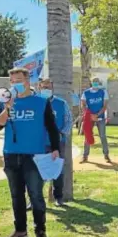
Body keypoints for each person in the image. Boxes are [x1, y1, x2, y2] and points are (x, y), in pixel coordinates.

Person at [0, 68, 60, 237]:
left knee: (36, 195)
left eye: (19, 80)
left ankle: (41, 232)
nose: (15, 84)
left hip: (34, 156)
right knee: (16, 195)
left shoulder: (41, 102)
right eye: (12, 81)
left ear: (28, 81)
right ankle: (20, 230)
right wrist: (7, 108)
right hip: (11, 155)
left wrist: (55, 148)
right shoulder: (4, 102)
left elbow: (52, 127)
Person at [38, 78, 73, 206]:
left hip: (57, 143)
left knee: (58, 170)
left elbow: (69, 120)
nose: (46, 89)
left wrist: (61, 133)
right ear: (39, 87)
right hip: (38, 143)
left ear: (52, 87)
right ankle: (34, 199)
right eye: (43, 86)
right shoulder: (36, 102)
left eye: (48, 86)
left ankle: (58, 197)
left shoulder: (61, 103)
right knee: (37, 171)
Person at [80, 78, 111, 163]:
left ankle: (106, 155)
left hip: (100, 117)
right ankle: (85, 156)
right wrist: (89, 115)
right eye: (94, 82)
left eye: (97, 82)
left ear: (99, 83)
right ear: (91, 83)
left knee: (102, 136)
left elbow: (104, 106)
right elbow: (83, 104)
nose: (95, 83)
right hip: (89, 117)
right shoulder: (86, 93)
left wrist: (97, 115)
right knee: (88, 135)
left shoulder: (103, 92)